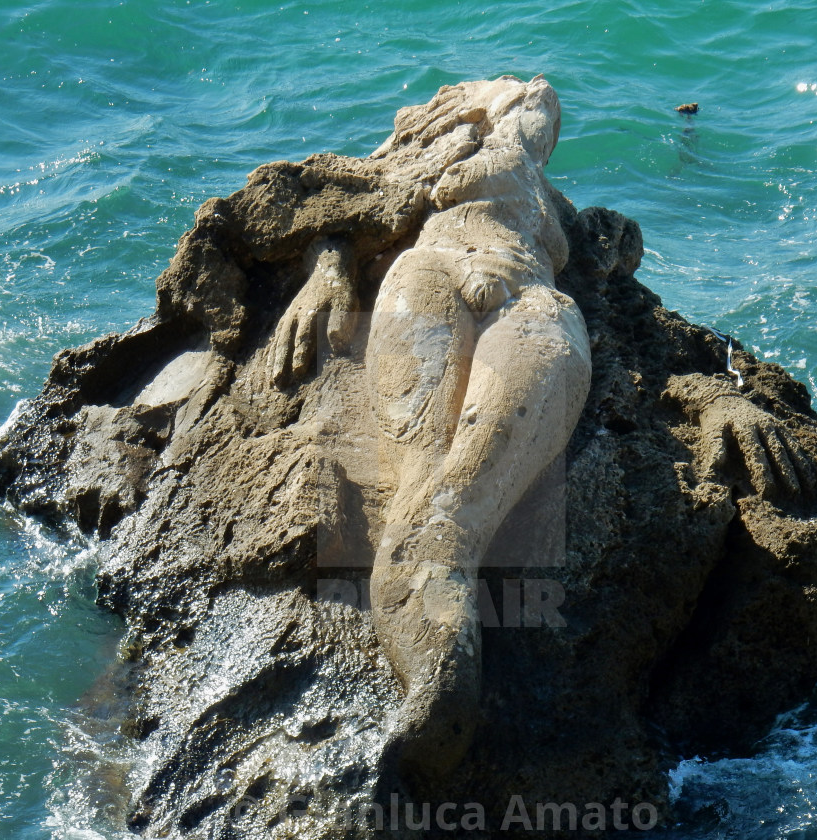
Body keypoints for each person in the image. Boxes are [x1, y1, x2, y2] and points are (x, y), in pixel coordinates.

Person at [268, 76, 591, 780]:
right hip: (429, 274)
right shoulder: (397, 165)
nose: (444, 123)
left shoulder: (526, 166)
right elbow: (323, 208)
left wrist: (481, 96)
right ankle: (440, 686)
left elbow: (536, 95)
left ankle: (439, 687)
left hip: (532, 297)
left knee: (466, 491)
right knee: (422, 485)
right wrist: (327, 272)